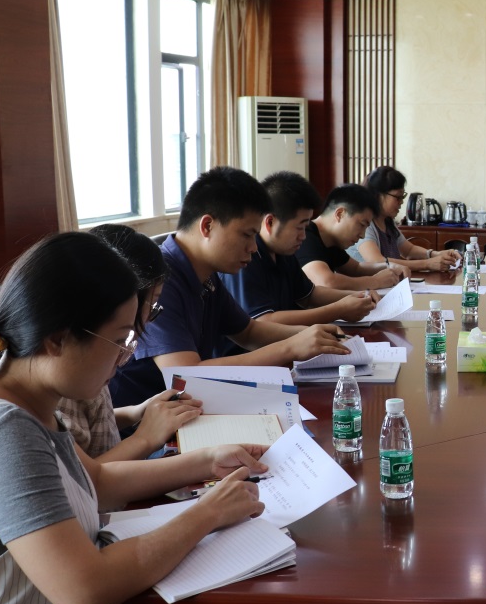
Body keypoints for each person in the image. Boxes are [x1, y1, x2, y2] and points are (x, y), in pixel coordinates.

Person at [0, 232, 266, 604]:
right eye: (121, 338)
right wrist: (206, 514)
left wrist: (205, 461)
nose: (126, 356)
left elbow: (97, 481)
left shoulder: (28, 403)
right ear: (57, 338)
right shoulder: (1, 431)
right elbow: (84, 589)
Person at [111, 166, 351, 407]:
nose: (254, 247)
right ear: (207, 226)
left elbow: (248, 332)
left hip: (185, 407)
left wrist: (312, 335)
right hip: (141, 418)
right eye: (247, 235)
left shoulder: (206, 275)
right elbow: (185, 373)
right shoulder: (161, 278)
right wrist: (290, 347)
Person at [55, 224, 205, 462]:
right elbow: (87, 477)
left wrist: (137, 412)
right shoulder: (76, 367)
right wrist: (145, 438)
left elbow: (94, 421)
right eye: (152, 303)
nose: (121, 357)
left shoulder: (93, 354)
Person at [220, 171, 378, 327]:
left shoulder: (284, 251)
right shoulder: (246, 255)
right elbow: (263, 321)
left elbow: (309, 296)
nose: (303, 236)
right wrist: (338, 310)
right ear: (270, 223)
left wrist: (358, 296)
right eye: (299, 227)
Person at [297, 184, 412, 290]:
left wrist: (390, 266)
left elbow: (356, 269)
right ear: (340, 214)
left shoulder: (332, 240)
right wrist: (375, 281)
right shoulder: (305, 235)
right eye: (362, 225)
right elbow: (326, 282)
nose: (362, 235)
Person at [349, 166, 463, 273]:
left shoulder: (388, 221)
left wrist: (436, 254)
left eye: (402, 197)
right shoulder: (366, 224)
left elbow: (409, 251)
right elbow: (377, 261)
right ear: (378, 195)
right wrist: (427, 264)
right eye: (397, 197)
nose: (402, 202)